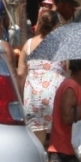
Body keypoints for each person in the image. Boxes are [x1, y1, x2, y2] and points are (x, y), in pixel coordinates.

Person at [22, 11, 63, 147]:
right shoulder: (61, 45)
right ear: (56, 25)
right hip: (55, 94)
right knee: (56, 137)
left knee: (37, 140)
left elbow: (21, 73)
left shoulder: (28, 44)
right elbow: (68, 68)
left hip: (32, 96)